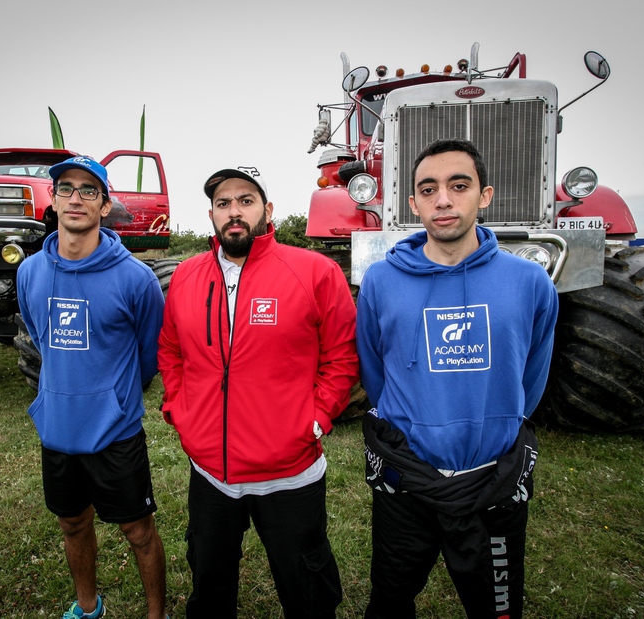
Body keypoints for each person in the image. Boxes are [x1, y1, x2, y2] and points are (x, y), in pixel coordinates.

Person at [356, 139, 559, 619]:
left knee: (496, 610)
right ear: (413, 204)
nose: (443, 199)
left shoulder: (530, 283)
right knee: (389, 602)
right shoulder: (381, 282)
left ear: (484, 196)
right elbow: (374, 370)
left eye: (458, 185)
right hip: (408, 482)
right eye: (429, 189)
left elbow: (530, 375)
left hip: (492, 481)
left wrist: (494, 421)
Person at [157, 166, 359, 618]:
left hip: (288, 470)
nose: (234, 211)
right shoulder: (187, 277)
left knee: (306, 586)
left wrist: (316, 418)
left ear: (267, 210)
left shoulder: (315, 272)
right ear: (210, 213)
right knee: (209, 583)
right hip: (210, 471)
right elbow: (170, 350)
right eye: (224, 203)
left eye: (246, 201)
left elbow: (342, 357)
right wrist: (180, 411)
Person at [16, 156, 167, 619]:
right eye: (66, 188)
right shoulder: (30, 273)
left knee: (138, 531)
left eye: (88, 190)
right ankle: (87, 606)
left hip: (115, 430)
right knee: (71, 523)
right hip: (58, 429)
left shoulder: (136, 279)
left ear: (105, 206)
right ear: (54, 200)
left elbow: (148, 355)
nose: (76, 198)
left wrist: (116, 396)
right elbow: (41, 337)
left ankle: (156, 613)